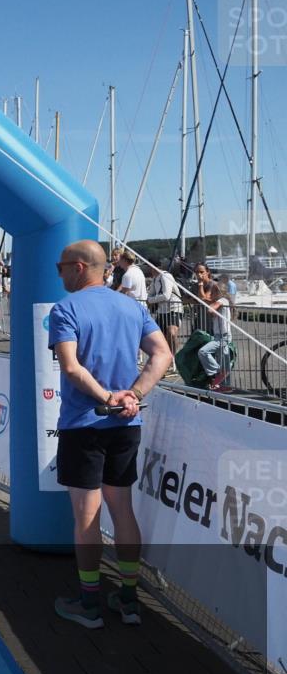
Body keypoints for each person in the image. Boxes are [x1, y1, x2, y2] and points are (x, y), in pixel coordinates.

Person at [49, 240, 171, 629]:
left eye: (62, 266)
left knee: (87, 516)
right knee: (123, 511)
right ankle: (129, 600)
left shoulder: (65, 308)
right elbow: (163, 355)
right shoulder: (133, 307)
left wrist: (108, 398)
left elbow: (71, 368)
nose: (60, 272)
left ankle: (89, 604)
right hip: (125, 425)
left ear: (81, 267)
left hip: (87, 423)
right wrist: (132, 396)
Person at [197, 280, 233, 392]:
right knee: (224, 360)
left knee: (203, 352)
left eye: (212, 292)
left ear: (218, 292)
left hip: (223, 336)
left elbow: (210, 310)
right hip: (219, 335)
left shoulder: (223, 300)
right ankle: (225, 385)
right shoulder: (220, 301)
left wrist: (211, 302)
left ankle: (218, 374)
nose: (210, 295)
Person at [146, 261, 183, 368]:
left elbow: (166, 295)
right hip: (162, 310)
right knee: (156, 336)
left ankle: (174, 358)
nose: (149, 269)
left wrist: (151, 300)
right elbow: (151, 294)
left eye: (149, 267)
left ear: (154, 267)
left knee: (171, 332)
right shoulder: (155, 279)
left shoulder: (166, 276)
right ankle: (165, 358)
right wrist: (150, 298)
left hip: (174, 308)